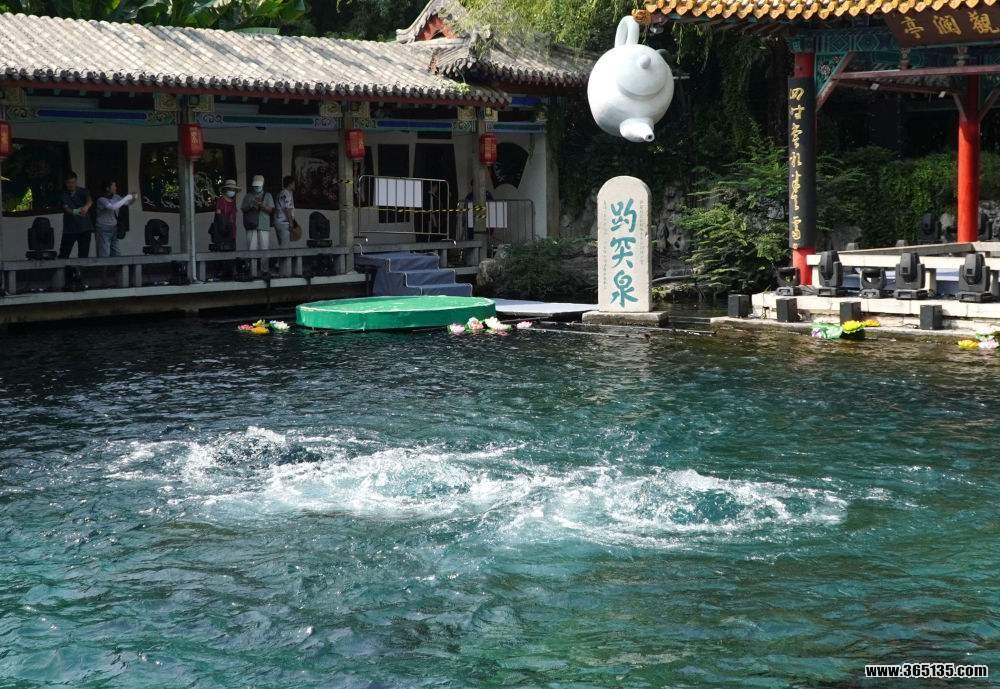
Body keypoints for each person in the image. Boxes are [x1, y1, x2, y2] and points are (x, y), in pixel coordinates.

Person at [94, 180, 135, 257]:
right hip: (103, 229)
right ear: (107, 188)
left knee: (116, 253)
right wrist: (126, 197)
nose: (116, 188)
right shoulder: (101, 199)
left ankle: (116, 265)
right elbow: (113, 207)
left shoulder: (116, 197)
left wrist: (134, 197)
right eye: (114, 186)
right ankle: (103, 265)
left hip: (114, 228)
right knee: (104, 253)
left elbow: (127, 203)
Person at [58, 172, 93, 258]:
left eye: (73, 182)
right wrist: (78, 211)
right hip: (70, 228)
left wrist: (86, 207)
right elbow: (66, 208)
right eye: (69, 182)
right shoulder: (63, 194)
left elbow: (89, 200)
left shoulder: (83, 191)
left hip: (85, 228)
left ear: (76, 181)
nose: (71, 185)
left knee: (83, 255)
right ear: (65, 183)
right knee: (64, 254)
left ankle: (81, 268)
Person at [240, 174, 274, 251]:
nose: (257, 187)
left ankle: (264, 260)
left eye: (258, 185)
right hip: (251, 224)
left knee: (264, 248)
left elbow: (271, 210)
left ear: (262, 184)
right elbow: (243, 209)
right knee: (251, 248)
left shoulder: (268, 195)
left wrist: (262, 206)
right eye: (255, 186)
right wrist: (251, 205)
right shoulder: (248, 196)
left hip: (264, 224)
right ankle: (251, 260)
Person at [212, 179, 239, 248]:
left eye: (233, 189)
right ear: (226, 189)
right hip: (222, 231)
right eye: (230, 189)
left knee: (232, 249)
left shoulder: (233, 202)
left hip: (232, 231)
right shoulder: (221, 200)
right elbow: (218, 216)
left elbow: (234, 216)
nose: (232, 191)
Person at [274, 175, 295, 246]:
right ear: (290, 184)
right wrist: (291, 223)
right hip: (284, 222)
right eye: (293, 183)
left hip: (278, 221)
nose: (294, 185)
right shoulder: (286, 193)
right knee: (285, 247)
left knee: (281, 245)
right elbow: (287, 209)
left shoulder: (281, 193)